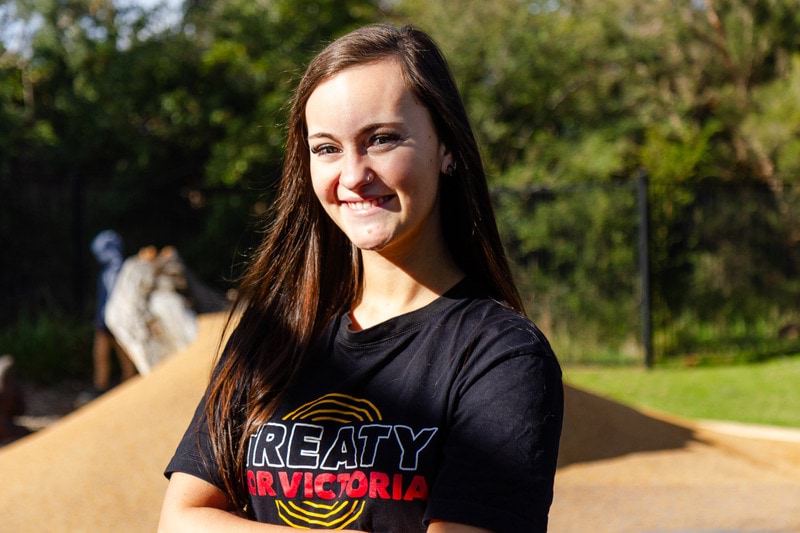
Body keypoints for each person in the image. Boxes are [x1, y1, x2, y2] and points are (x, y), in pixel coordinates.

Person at [160, 24, 563, 533]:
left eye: (382, 139)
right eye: (326, 148)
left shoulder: (502, 357)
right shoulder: (273, 334)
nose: (352, 175)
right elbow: (182, 519)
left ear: (447, 148)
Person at [78, 230, 137, 405]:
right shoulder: (107, 270)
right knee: (100, 355)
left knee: (125, 357)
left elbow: (116, 299)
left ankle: (131, 387)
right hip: (104, 323)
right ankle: (100, 387)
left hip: (115, 323)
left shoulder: (117, 269)